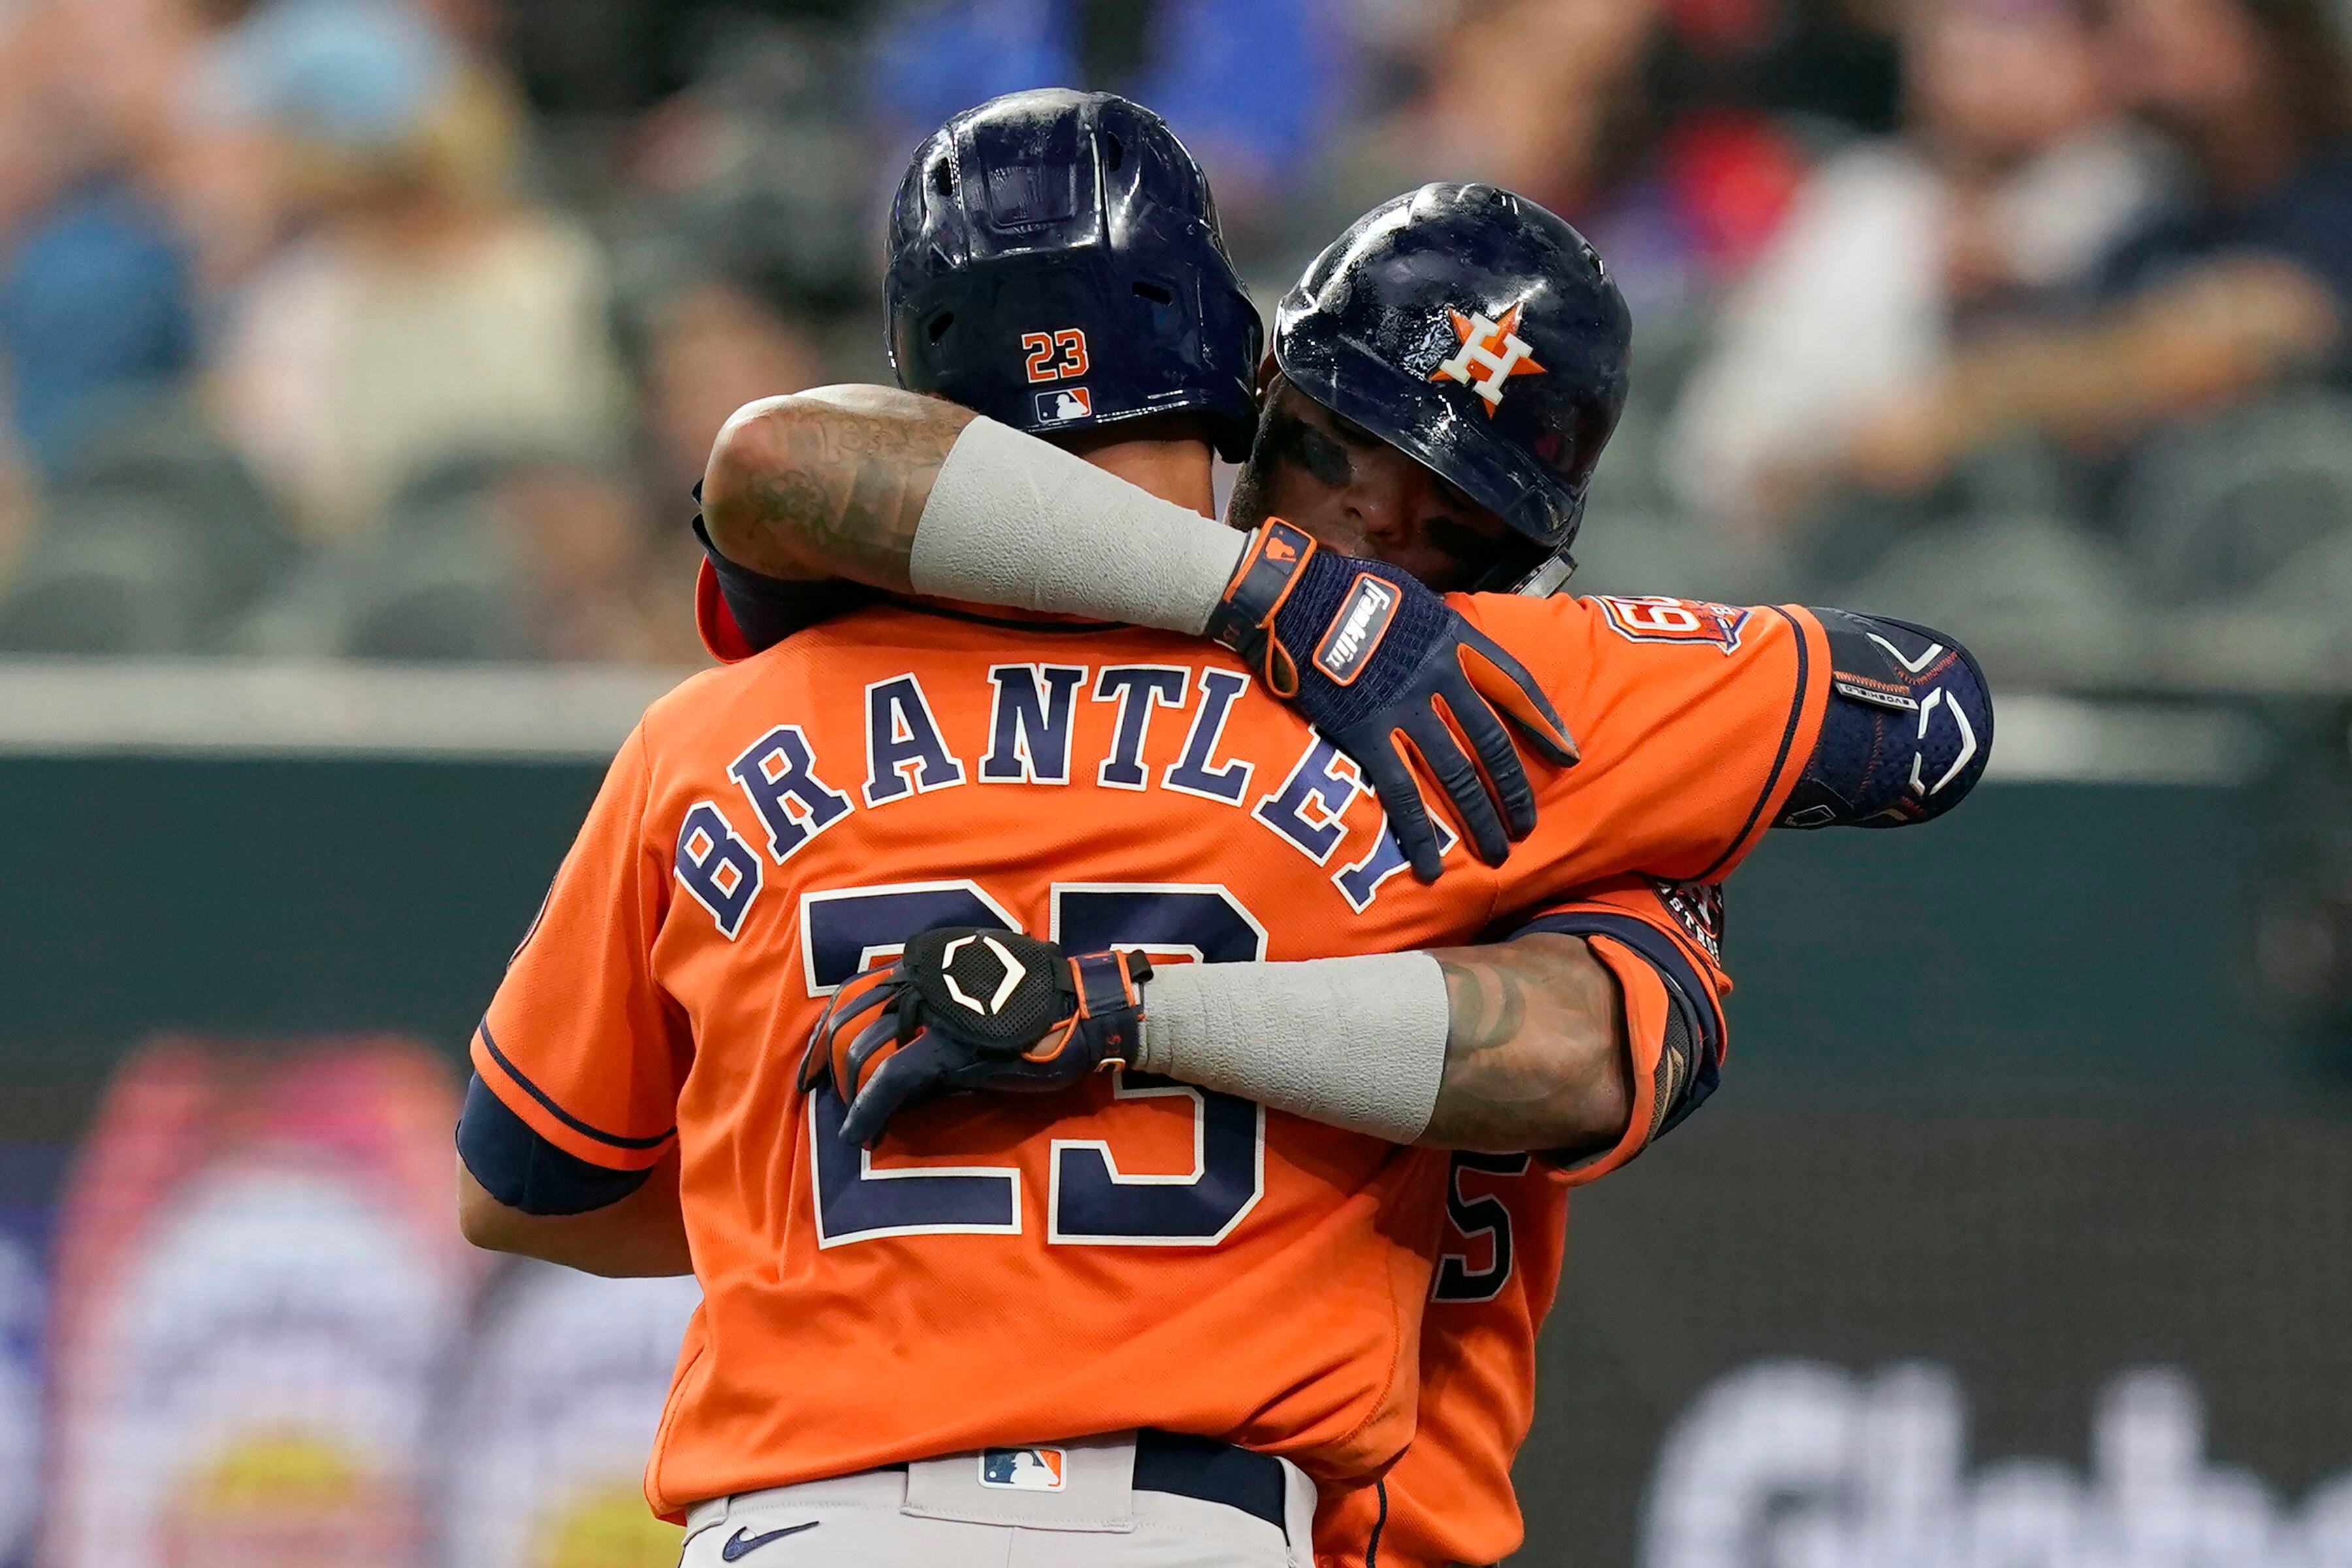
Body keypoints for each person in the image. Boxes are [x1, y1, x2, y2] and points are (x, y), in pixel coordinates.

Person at [459, 93, 1990, 1568]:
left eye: (1456, 519)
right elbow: (1919, 712)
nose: (1385, 525)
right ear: (1249, 375)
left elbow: (524, 1181)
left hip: (825, 1506)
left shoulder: (724, 722)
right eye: (1343, 451)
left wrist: (1086, 1033)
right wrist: (1293, 603)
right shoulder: (1507, 710)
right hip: (1199, 1503)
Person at [1793, 0, 2352, 509]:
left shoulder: (2330, 194)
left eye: (2153, 47)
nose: (2126, 75)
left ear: (2267, 40)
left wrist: (1980, 402)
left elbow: (2253, 331)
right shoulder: (2159, 220)